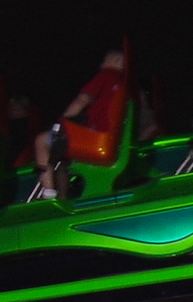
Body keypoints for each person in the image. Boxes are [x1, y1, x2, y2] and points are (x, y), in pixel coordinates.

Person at [34, 50, 125, 199]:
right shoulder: (125, 83)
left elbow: (81, 101)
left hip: (95, 138)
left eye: (105, 60)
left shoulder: (106, 75)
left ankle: (48, 192)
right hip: (113, 138)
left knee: (42, 140)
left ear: (115, 61)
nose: (101, 65)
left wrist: (62, 123)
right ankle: (62, 196)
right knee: (62, 157)